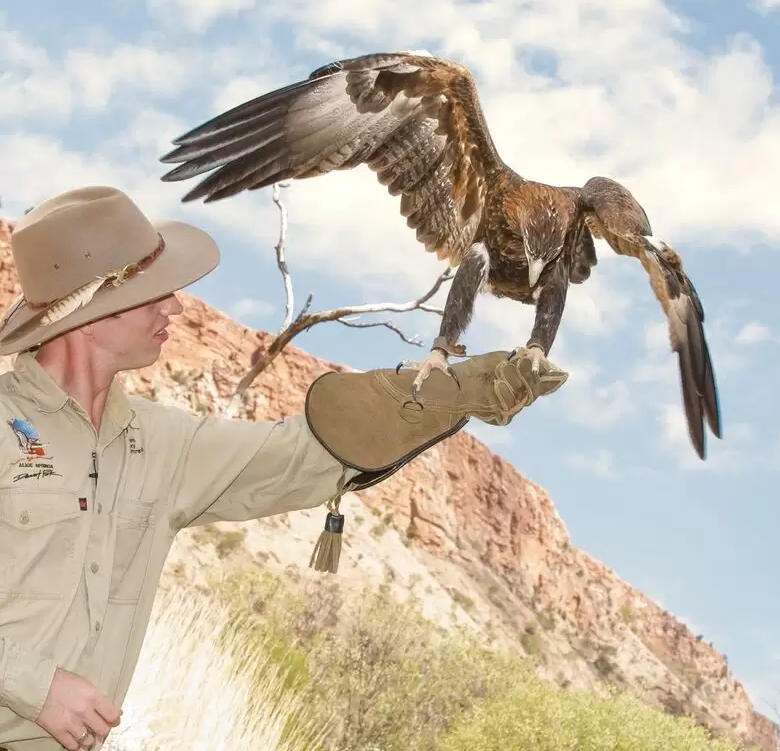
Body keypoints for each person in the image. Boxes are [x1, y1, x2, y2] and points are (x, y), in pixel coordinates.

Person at [0, 185, 568, 751]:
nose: (174, 305)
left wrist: (458, 390)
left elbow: (301, 453)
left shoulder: (162, 444)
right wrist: (36, 687)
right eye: (153, 290)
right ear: (91, 311)